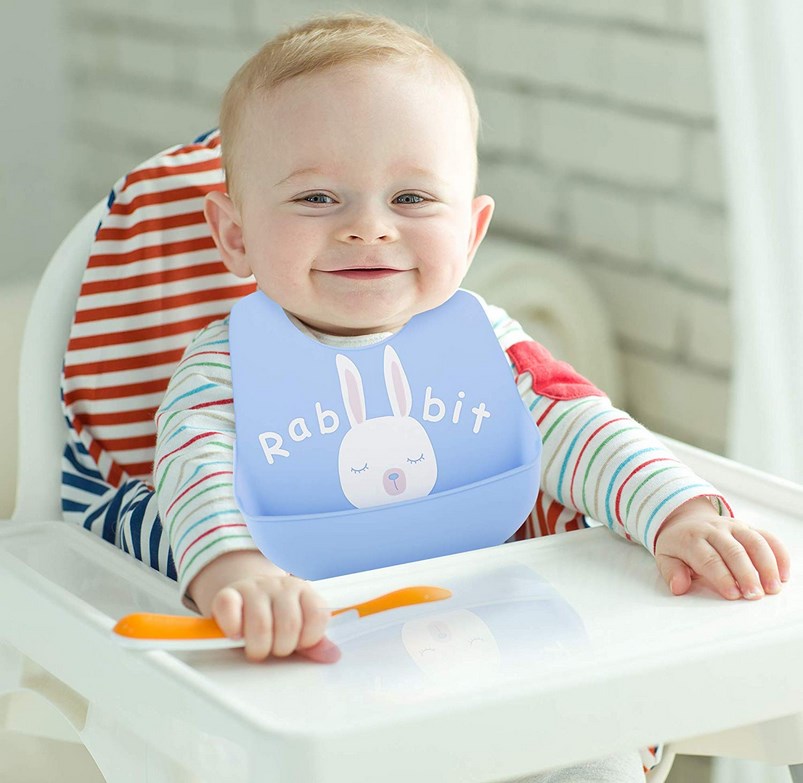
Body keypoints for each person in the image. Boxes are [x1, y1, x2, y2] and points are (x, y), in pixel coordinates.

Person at [150, 13, 789, 781]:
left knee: (596, 749)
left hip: (508, 655)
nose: (367, 227)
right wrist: (236, 572)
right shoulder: (227, 369)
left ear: (471, 229)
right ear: (234, 233)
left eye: (411, 196)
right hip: (329, 673)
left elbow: (576, 422)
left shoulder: (483, 344)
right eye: (317, 197)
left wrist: (676, 512)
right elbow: (193, 469)